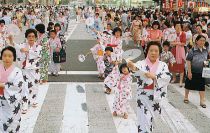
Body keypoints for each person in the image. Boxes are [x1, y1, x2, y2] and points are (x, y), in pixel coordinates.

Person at [127, 41, 172, 132]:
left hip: (157, 96)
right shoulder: (141, 63)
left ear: (159, 52)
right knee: (143, 120)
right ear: (147, 51)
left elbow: (167, 77)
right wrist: (132, 66)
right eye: (151, 50)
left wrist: (154, 76)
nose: (153, 53)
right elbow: (136, 70)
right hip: (143, 96)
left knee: (151, 121)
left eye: (156, 51)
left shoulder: (163, 65)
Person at [13, 29, 42, 114]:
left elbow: (36, 54)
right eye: (29, 36)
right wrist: (12, 41)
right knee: (24, 87)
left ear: (35, 38)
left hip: (34, 70)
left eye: (33, 36)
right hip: (24, 70)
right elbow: (16, 48)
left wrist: (27, 51)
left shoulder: (39, 47)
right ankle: (25, 104)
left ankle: (33, 100)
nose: (31, 38)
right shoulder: (22, 45)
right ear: (26, 37)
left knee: (34, 86)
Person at [0, 46, 23, 132]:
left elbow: (18, 86)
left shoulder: (17, 71)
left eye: (10, 56)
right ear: (1, 57)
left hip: (12, 101)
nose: (7, 58)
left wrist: (2, 85)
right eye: (4, 55)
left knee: (12, 121)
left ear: (14, 58)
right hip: (0, 100)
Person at [184, 35, 208, 108]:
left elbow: (206, 60)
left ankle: (202, 101)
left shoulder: (205, 50)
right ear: (196, 41)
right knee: (188, 84)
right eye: (200, 40)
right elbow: (188, 61)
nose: (202, 42)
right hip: (192, 71)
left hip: (202, 72)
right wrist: (189, 72)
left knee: (201, 86)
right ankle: (186, 97)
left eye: (203, 41)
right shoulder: (192, 50)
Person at [169, 21, 186, 87]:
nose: (178, 27)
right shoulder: (172, 34)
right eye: (176, 26)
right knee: (172, 64)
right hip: (173, 50)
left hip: (181, 51)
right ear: (174, 27)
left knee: (181, 65)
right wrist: (177, 43)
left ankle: (181, 81)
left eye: (179, 26)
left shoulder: (183, 34)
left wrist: (176, 43)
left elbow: (184, 43)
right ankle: (174, 78)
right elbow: (170, 43)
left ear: (181, 27)